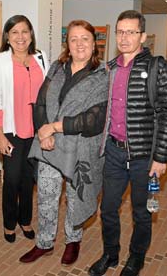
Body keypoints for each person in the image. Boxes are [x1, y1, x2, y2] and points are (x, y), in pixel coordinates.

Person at [88, 10, 167, 276]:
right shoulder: (110, 68)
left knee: (141, 212)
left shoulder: (157, 67)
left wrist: (161, 158)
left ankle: (136, 258)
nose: (124, 37)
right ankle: (110, 254)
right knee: (108, 208)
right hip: (114, 154)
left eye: (131, 32)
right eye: (120, 31)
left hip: (144, 157)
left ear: (142, 35)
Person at [19, 20, 108, 266]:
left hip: (81, 148)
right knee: (47, 195)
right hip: (49, 145)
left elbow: (95, 119)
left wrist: (54, 127)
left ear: (94, 44)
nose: (79, 44)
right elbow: (41, 102)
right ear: (67, 44)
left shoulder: (102, 76)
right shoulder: (57, 69)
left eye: (85, 39)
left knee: (75, 195)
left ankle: (73, 240)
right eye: (74, 39)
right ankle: (44, 242)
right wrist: (43, 133)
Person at [0, 15, 49, 243]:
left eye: (24, 31)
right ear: (7, 36)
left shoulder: (41, 58)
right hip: (12, 130)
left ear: (31, 34)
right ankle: (9, 223)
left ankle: (25, 220)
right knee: (12, 179)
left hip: (36, 132)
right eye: (14, 32)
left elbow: (48, 94)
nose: (20, 37)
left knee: (28, 180)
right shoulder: (0, 60)